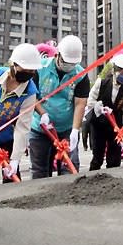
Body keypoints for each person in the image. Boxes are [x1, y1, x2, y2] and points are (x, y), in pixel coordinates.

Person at [0, 43, 41, 186]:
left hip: (10, 139)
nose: (29, 73)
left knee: (11, 180)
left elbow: (23, 127)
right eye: (25, 69)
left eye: (32, 71)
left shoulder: (30, 93)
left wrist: (15, 158)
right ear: (13, 64)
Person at [28, 35, 88, 179]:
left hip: (66, 128)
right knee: (40, 169)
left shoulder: (81, 75)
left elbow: (80, 103)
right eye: (66, 62)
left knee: (69, 167)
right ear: (57, 54)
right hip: (40, 128)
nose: (69, 66)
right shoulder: (39, 68)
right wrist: (42, 113)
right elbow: (31, 96)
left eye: (72, 63)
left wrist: (75, 130)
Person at [86, 54, 123, 170]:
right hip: (99, 124)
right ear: (114, 70)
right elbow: (90, 101)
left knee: (114, 158)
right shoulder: (101, 83)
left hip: (115, 126)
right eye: (121, 72)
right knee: (97, 156)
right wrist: (98, 107)